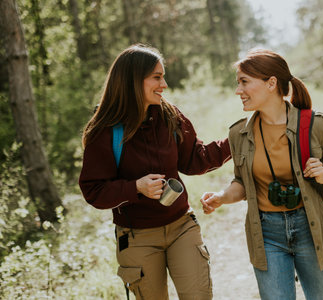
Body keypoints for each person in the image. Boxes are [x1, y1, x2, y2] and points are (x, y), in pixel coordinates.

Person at [79, 44, 230, 300]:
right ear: (133, 81)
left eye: (163, 76)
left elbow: (195, 159)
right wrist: (135, 188)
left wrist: (235, 142)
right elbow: (93, 190)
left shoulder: (169, 115)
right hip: (137, 237)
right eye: (157, 77)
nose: (165, 85)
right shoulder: (105, 131)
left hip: (182, 225)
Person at [200, 49, 323, 300]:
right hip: (266, 233)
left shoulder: (315, 124)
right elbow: (242, 182)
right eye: (238, 83)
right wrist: (221, 197)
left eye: (244, 82)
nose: (238, 90)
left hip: (311, 227)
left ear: (271, 83)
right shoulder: (240, 134)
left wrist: (322, 174)